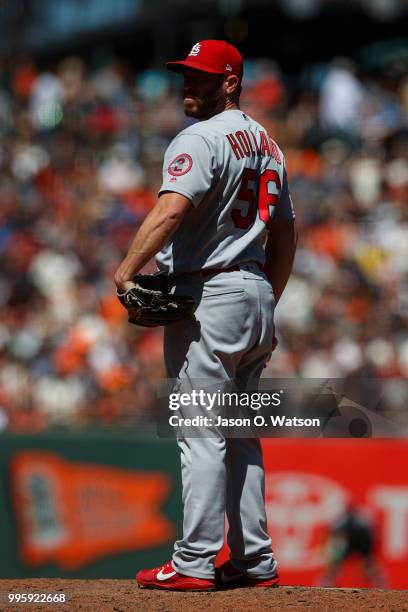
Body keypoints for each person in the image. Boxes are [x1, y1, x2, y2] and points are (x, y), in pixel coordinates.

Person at [114, 39, 297, 590]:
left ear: (230, 82)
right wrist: (266, 297)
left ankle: (194, 560)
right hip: (254, 291)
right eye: (185, 75)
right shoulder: (269, 144)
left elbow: (172, 211)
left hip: (211, 293)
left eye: (200, 76)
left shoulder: (199, 138)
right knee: (240, 432)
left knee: (201, 430)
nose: (187, 84)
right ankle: (253, 560)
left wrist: (126, 271)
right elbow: (286, 233)